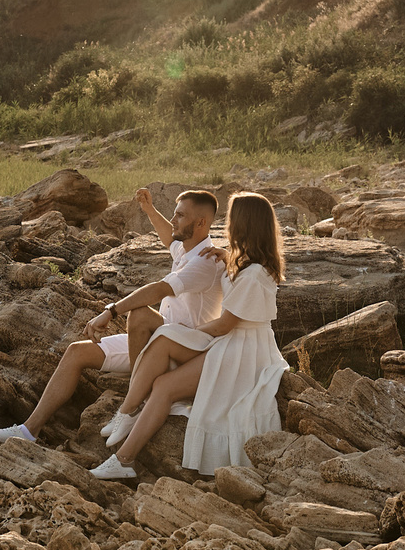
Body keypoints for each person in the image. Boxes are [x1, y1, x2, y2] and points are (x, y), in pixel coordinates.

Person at [0, 186, 222, 444]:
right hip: (156, 340)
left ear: (201, 222)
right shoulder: (188, 248)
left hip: (181, 351)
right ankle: (29, 430)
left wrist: (111, 310)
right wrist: (149, 209)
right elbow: (169, 239)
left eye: (180, 216)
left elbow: (159, 289)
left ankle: (135, 401)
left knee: (138, 313)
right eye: (174, 214)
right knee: (76, 352)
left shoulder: (205, 261)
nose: (173, 220)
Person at [92, 191, 289, 480]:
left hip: (242, 353)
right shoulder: (246, 263)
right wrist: (227, 255)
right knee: (162, 373)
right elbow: (173, 242)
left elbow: (225, 324)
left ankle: (124, 453)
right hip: (229, 343)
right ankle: (127, 418)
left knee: (166, 361)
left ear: (245, 224)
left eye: (232, 219)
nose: (228, 225)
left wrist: (191, 333)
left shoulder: (254, 273)